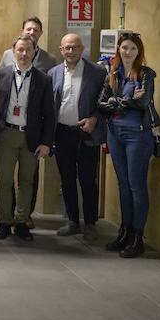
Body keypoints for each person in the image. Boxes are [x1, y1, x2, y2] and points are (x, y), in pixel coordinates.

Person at [98, 32, 159, 258]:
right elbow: (100, 103)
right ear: (118, 49)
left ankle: (136, 237)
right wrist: (125, 101)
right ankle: (124, 232)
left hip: (137, 135)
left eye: (133, 48)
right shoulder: (112, 74)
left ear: (139, 51)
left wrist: (115, 102)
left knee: (136, 186)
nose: (128, 52)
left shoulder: (145, 74)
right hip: (115, 134)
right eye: (124, 47)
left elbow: (142, 102)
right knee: (123, 185)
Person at [0, 34, 55, 242]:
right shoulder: (1, 74)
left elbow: (50, 114)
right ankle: (4, 221)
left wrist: (46, 142)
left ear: (34, 52)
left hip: (31, 137)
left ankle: (21, 222)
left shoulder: (43, 79)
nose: (24, 53)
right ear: (13, 52)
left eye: (28, 49)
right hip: (7, 134)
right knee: (4, 180)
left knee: (27, 181)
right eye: (20, 49)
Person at [49, 33, 107, 241]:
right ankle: (72, 220)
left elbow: (105, 103)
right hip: (62, 133)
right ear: (61, 50)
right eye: (67, 48)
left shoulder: (97, 72)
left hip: (86, 134)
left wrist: (95, 119)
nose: (70, 51)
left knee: (88, 179)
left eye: (75, 47)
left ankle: (90, 223)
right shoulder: (53, 73)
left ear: (82, 49)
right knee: (67, 179)